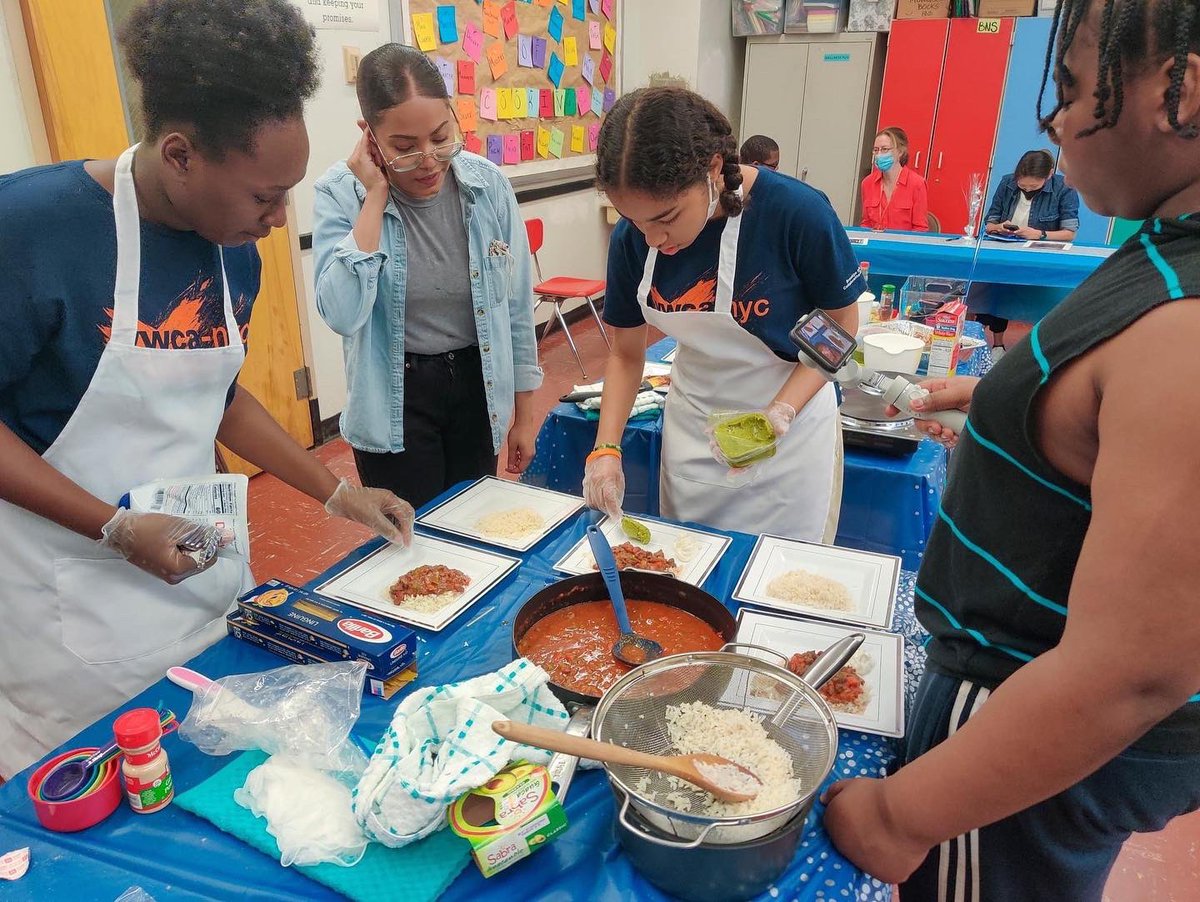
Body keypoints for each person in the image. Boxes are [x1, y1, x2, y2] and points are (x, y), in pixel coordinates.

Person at [823, 2, 1200, 900]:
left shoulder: (1187, 328)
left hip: (1027, 728)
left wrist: (898, 817)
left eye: (1071, 88)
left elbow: (1130, 673)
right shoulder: (1165, 255)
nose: (1056, 121)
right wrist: (1002, 414)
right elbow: (1099, 432)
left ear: (1181, 92)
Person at [0, 0, 416, 779]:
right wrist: (113, 528)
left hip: (201, 582)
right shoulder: (31, 231)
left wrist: (336, 494)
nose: (280, 218)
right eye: (265, 196)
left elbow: (218, 396)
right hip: (73, 614)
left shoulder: (232, 249)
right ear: (181, 155)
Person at [584, 87, 861, 539]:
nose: (652, 238)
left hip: (791, 438)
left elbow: (842, 327)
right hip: (695, 432)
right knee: (687, 561)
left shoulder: (796, 214)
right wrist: (606, 451)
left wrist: (779, 413)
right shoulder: (633, 240)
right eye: (633, 219)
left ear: (713, 169)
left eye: (667, 218)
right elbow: (626, 354)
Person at [314, 44, 542, 510]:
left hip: (477, 385)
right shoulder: (340, 195)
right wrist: (374, 197)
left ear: (454, 116)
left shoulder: (488, 186)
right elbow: (341, 314)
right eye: (403, 148)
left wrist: (524, 416)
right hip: (395, 396)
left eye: (440, 137)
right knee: (410, 536)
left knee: (472, 523)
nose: (428, 160)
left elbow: (516, 309)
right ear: (369, 136)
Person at [979, 149, 1082, 348]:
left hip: (1042, 255)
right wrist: (999, 227)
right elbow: (990, 223)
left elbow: (1069, 233)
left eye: (1033, 186)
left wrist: (1039, 234)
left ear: (1049, 175)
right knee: (997, 291)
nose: (1027, 189)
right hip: (1007, 251)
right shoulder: (1006, 182)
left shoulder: (1064, 188)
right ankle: (997, 345)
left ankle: (1040, 346)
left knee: (1043, 301)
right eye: (1022, 185)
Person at [860, 127, 929, 232]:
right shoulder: (867, 183)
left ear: (900, 152)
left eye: (884, 149)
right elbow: (866, 224)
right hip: (875, 240)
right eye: (876, 150)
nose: (879, 155)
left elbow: (920, 229)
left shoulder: (917, 184)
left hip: (903, 242)